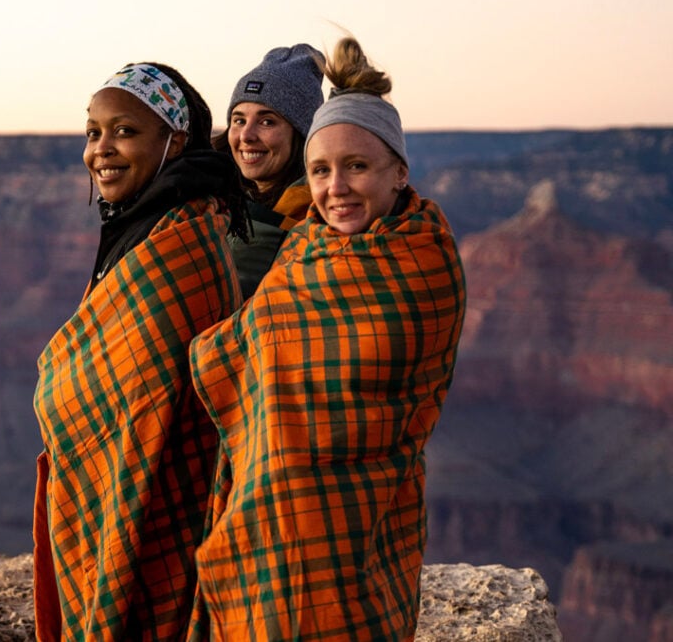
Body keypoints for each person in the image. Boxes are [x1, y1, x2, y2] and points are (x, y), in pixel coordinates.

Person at [188, 36, 467, 640]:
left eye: (357, 167)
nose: (336, 187)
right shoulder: (302, 250)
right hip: (266, 504)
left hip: (358, 513)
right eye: (321, 171)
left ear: (399, 172)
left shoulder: (424, 261)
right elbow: (240, 347)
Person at [32, 61, 247, 641]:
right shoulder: (143, 225)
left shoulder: (180, 246)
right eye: (93, 132)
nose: (101, 149)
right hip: (120, 493)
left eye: (124, 131)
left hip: (159, 511)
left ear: (175, 141)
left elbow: (148, 404)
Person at [214, 44, 325, 298]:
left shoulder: (320, 222)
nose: (246, 135)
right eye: (239, 120)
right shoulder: (208, 205)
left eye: (267, 122)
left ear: (301, 135)